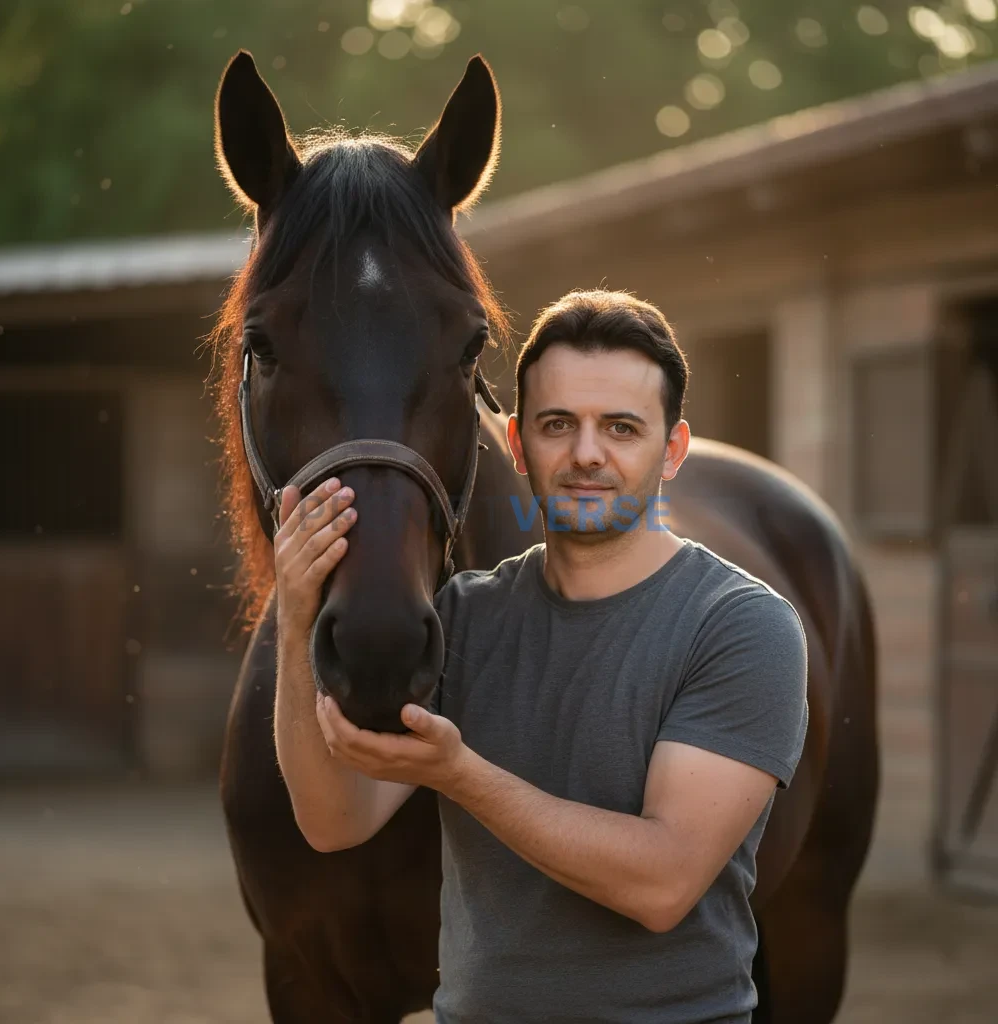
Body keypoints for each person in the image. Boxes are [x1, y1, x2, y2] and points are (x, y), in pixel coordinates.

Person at [273, 289, 809, 1024]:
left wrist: (461, 775)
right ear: (518, 443)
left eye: (622, 428)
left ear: (673, 450)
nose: (587, 454)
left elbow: (661, 883)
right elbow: (334, 821)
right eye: (558, 425)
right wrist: (296, 617)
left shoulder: (743, 627)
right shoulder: (464, 616)